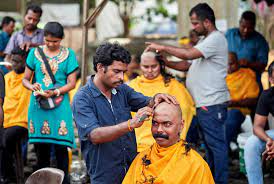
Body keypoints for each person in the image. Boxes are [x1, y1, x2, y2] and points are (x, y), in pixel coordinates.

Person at [145, 3, 230, 184]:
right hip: (204, 103)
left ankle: (219, 181)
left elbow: (189, 55)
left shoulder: (216, 39)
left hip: (212, 103)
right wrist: (166, 62)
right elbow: (188, 65)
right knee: (210, 147)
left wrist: (164, 47)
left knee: (217, 147)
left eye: (195, 23)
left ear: (207, 22)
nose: (193, 27)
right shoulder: (204, 41)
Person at [72, 42, 177, 184]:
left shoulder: (122, 90)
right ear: (100, 67)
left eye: (123, 72)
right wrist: (130, 124)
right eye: (116, 71)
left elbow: (147, 101)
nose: (122, 77)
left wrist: (156, 97)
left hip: (132, 168)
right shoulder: (83, 98)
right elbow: (94, 135)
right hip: (104, 173)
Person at [22, 22, 79, 184]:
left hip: (59, 105)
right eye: (48, 41)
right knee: (41, 151)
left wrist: (55, 91)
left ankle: (64, 181)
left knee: (61, 149)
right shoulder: (34, 53)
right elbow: (25, 79)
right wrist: (32, 86)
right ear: (44, 38)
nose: (51, 44)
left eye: (55, 41)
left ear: (61, 39)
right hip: (39, 105)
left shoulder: (69, 54)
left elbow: (72, 83)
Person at [122, 102, 214, 184]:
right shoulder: (141, 158)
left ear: (181, 126)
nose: (159, 130)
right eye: (155, 123)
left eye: (167, 124)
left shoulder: (196, 165)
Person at [129, 51, 195, 152]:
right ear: (140, 66)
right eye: (145, 67)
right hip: (137, 146)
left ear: (160, 65)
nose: (150, 70)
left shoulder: (173, 85)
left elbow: (185, 112)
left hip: (168, 145)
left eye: (154, 66)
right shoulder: (131, 87)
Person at [0, 47, 31, 183]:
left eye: (18, 62)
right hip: (5, 120)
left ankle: (9, 177)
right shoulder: (6, 77)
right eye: (13, 61)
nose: (14, 65)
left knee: (5, 140)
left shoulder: (29, 79)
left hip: (21, 122)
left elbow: (25, 106)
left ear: (25, 61)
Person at [244, 61, 274, 184]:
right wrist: (268, 140)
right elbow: (257, 126)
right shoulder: (268, 96)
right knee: (251, 144)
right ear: (271, 79)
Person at [225, 10, 269, 91]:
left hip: (250, 84)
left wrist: (249, 64)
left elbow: (263, 64)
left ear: (254, 26)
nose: (246, 30)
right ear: (239, 23)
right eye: (243, 26)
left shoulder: (260, 41)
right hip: (230, 82)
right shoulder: (229, 34)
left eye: (250, 28)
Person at [225, 52, 259, 145]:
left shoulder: (246, 75)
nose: (228, 67)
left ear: (238, 62)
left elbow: (253, 100)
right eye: (225, 64)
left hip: (238, 111)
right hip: (220, 110)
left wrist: (233, 103)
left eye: (231, 63)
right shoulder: (220, 75)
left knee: (231, 117)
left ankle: (222, 151)